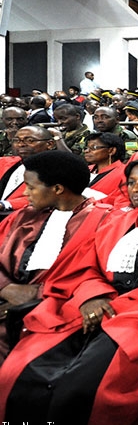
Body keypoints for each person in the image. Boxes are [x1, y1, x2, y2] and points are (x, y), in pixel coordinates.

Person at [0, 157, 138, 425]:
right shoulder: (117, 221)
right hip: (96, 305)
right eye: (132, 182)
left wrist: (113, 305)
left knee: (81, 384)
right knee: (21, 369)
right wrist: (93, 297)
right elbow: (86, 266)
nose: (137, 189)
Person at [0, 151, 109, 362]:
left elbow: (97, 272)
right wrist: (7, 288)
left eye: (31, 187)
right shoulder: (24, 216)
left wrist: (38, 293)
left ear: (58, 189)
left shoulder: (103, 220)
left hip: (58, 305)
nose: (25, 194)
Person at [0, 126, 57, 214]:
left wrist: (5, 204)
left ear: (49, 144)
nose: (21, 144)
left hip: (27, 218)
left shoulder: (56, 169)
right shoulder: (5, 162)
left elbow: (49, 196)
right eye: (17, 140)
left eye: (30, 140)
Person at [83, 132, 127, 201]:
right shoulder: (85, 169)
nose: (87, 151)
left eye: (93, 148)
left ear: (111, 151)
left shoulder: (124, 172)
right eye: (86, 148)